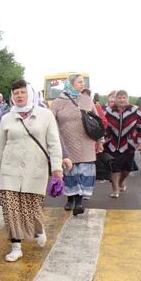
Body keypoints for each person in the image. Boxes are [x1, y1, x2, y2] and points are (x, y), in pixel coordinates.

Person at [0, 80, 64, 262]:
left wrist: (57, 168)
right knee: (11, 210)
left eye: (22, 92)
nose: (19, 96)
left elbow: (54, 143)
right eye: (16, 93)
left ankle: (38, 228)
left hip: (36, 170)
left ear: (30, 93)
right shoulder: (7, 117)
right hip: (9, 170)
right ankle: (16, 246)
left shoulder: (45, 115)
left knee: (32, 209)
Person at [50, 74, 104, 215]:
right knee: (69, 172)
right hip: (66, 142)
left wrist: (100, 141)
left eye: (83, 82)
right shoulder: (58, 102)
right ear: (70, 83)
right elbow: (50, 121)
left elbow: (97, 122)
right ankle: (70, 199)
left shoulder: (86, 100)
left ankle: (79, 203)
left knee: (84, 173)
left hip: (86, 142)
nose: (82, 85)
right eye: (79, 82)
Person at [103, 90, 141, 197]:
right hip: (111, 144)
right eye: (119, 98)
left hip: (129, 144)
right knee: (114, 168)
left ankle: (121, 181)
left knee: (126, 170)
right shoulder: (108, 110)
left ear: (128, 99)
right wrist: (102, 140)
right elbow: (102, 125)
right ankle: (115, 189)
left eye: (124, 98)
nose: (122, 100)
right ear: (116, 99)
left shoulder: (136, 110)